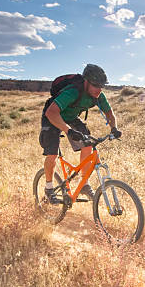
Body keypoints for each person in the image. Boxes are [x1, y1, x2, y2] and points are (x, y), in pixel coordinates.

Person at [40, 64, 121, 203]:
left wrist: (114, 128)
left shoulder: (98, 95)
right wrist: (68, 130)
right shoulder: (73, 92)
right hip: (52, 117)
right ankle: (48, 188)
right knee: (52, 153)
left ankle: (84, 184)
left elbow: (109, 112)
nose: (99, 89)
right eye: (96, 85)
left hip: (71, 117)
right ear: (86, 82)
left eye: (101, 86)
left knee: (88, 145)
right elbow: (51, 112)